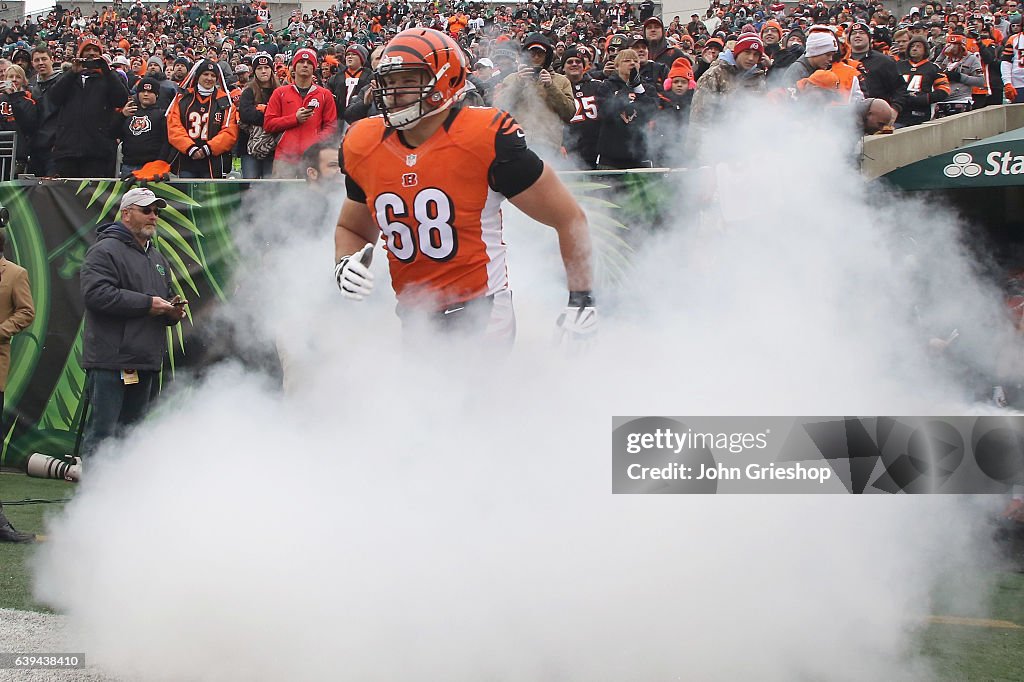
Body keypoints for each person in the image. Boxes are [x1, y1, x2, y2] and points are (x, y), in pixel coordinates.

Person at [334, 28, 596, 347]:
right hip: (414, 316)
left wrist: (581, 300)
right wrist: (344, 262)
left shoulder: (483, 137)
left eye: (408, 79)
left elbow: (568, 218)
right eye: (389, 81)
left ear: (445, 80)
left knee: (469, 396)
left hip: (481, 311)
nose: (394, 92)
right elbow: (353, 228)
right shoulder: (364, 143)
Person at [78, 187, 185, 459]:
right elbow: (96, 295)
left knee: (132, 438)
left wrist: (172, 312)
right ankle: (93, 499)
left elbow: (163, 299)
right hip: (111, 361)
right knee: (103, 435)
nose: (153, 216)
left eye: (156, 212)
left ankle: (124, 499)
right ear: (126, 214)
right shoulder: (104, 251)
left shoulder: (157, 257)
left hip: (145, 360)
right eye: (146, 210)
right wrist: (149, 304)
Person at [47, 36, 130, 178]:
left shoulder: (109, 77)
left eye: (95, 50)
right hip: (68, 149)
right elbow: (54, 98)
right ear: (80, 53)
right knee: (67, 196)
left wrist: (107, 71)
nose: (91, 53)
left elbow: (121, 99)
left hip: (97, 151)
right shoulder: (69, 77)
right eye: (87, 50)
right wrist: (72, 72)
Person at [494, 32, 575, 162]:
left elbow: (569, 113)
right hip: (518, 145)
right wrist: (518, 83)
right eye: (532, 53)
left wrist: (551, 86)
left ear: (547, 56)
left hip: (549, 146)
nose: (536, 57)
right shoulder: (512, 79)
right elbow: (500, 108)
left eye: (540, 54)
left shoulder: (561, 81)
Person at [263, 48, 338, 178]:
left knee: (311, 196)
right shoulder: (280, 93)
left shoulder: (324, 95)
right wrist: (294, 119)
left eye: (309, 63)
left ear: (314, 68)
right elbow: (269, 124)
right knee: (282, 196)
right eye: (301, 62)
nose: (305, 65)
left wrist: (315, 142)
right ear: (294, 66)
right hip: (284, 158)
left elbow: (331, 126)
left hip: (312, 159)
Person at [166, 59, 238, 178]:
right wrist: (190, 148)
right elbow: (174, 126)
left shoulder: (225, 102)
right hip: (186, 159)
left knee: (210, 195)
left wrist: (208, 148)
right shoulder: (183, 98)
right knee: (185, 195)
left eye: (213, 75)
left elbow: (229, 132)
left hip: (213, 160)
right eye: (205, 74)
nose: (209, 78)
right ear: (198, 76)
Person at [595, 48, 659, 169]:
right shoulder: (606, 86)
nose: (632, 63)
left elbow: (652, 111)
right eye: (627, 60)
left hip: (641, 156)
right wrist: (623, 93)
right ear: (617, 66)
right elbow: (604, 112)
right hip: (611, 158)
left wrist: (638, 89)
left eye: (636, 60)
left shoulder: (648, 88)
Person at [114, 77, 169, 176]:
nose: (146, 94)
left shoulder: (162, 115)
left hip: (151, 165)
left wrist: (159, 162)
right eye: (143, 91)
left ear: (156, 95)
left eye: (150, 92)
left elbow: (166, 141)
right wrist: (122, 116)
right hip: (129, 165)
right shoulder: (129, 112)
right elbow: (114, 133)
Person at [237, 52, 279, 179]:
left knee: (270, 187)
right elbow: (245, 114)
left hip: (272, 147)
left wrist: (262, 112)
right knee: (250, 186)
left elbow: (283, 115)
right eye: (259, 68)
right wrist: (270, 117)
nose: (263, 71)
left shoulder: (279, 91)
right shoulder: (248, 91)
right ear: (254, 71)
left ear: (272, 70)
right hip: (249, 148)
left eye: (266, 68)